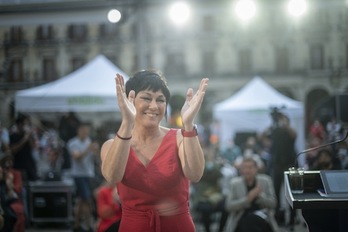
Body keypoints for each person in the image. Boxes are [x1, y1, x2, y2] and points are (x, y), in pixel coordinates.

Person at [100, 70, 209, 232]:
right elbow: (112, 176)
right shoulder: (111, 145)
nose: (154, 106)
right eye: (146, 98)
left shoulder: (180, 137)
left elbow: (195, 174)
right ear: (130, 100)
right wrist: (126, 122)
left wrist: (188, 124)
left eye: (160, 100)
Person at [225, 157, 278, 232]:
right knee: (249, 222)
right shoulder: (235, 184)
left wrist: (260, 196)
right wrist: (247, 199)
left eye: (250, 167)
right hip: (242, 218)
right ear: (241, 170)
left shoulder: (266, 181)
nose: (247, 170)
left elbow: (273, 203)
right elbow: (229, 206)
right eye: (244, 168)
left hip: (262, 217)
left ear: (256, 169)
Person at [67, 122, 99, 232]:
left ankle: (76, 225)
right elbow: (77, 157)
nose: (85, 133)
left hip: (89, 174)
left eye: (87, 131)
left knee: (81, 200)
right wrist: (88, 149)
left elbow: (94, 159)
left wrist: (95, 152)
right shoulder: (72, 143)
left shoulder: (89, 142)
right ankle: (88, 225)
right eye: (83, 130)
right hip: (79, 175)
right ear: (78, 130)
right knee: (86, 200)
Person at [0, 154, 26, 232]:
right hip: (3, 203)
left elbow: (13, 194)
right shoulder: (2, 176)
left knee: (11, 217)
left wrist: (10, 185)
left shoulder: (14, 175)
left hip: (8, 200)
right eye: (5, 166)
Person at [9, 114, 38, 182]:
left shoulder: (29, 136)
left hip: (29, 167)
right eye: (25, 124)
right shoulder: (13, 136)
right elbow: (13, 150)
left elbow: (33, 147)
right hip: (18, 167)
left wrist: (29, 137)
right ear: (19, 124)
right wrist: (24, 139)